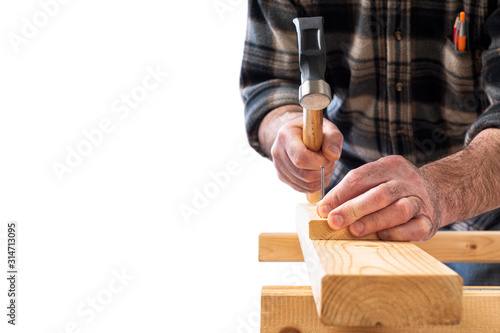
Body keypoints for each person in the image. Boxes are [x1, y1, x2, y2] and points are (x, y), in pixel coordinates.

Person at [240, 0, 500, 285]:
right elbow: (270, 82)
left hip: (484, 210)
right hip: (353, 213)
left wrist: (440, 190)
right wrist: (284, 123)